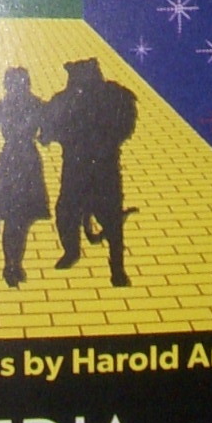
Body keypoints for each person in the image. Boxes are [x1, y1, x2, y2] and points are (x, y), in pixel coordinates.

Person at [43, 57, 137, 287]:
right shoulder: (75, 99)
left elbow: (126, 125)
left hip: (94, 168)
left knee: (101, 217)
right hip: (88, 168)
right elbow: (48, 129)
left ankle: (112, 267)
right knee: (80, 213)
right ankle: (86, 257)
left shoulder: (109, 97)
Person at [0, 66, 50, 286]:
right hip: (28, 161)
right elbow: (47, 134)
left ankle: (11, 263)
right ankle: (14, 264)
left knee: (13, 218)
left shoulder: (3, 106)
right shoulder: (37, 105)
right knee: (20, 220)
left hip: (8, 160)